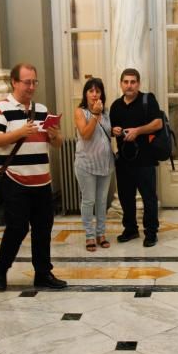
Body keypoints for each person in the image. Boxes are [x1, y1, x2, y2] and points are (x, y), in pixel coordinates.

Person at [0, 63, 67, 290]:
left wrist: (55, 135)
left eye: (34, 82)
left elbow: (58, 144)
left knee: (43, 229)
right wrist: (20, 133)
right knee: (17, 228)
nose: (31, 87)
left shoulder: (41, 109)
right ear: (14, 82)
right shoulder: (0, 109)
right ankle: (1, 270)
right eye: (27, 82)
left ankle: (43, 273)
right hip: (14, 181)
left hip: (42, 181)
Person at [109, 68, 163, 247]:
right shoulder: (116, 106)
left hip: (145, 160)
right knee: (125, 197)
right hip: (123, 161)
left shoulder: (148, 99)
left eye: (133, 82)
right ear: (121, 84)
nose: (129, 85)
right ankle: (130, 229)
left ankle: (151, 232)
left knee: (149, 197)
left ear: (138, 83)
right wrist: (114, 130)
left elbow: (158, 123)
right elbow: (112, 129)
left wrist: (138, 131)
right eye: (126, 82)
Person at [74, 78, 115, 251]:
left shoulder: (105, 112)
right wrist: (95, 115)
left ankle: (101, 233)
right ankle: (90, 236)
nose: (94, 94)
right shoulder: (80, 112)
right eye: (91, 91)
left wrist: (115, 131)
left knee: (101, 201)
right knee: (89, 200)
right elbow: (86, 134)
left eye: (97, 91)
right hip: (86, 164)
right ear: (85, 93)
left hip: (105, 163)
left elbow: (103, 133)